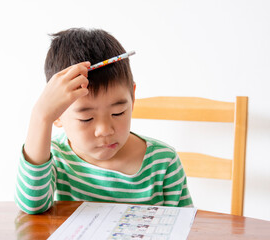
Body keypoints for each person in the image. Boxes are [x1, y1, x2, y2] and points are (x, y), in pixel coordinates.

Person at [15, 28, 193, 214]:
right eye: (86, 118)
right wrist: (40, 116)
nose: (105, 130)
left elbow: (186, 225)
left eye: (118, 113)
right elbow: (31, 206)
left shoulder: (163, 162)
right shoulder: (53, 156)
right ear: (57, 114)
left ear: (132, 98)